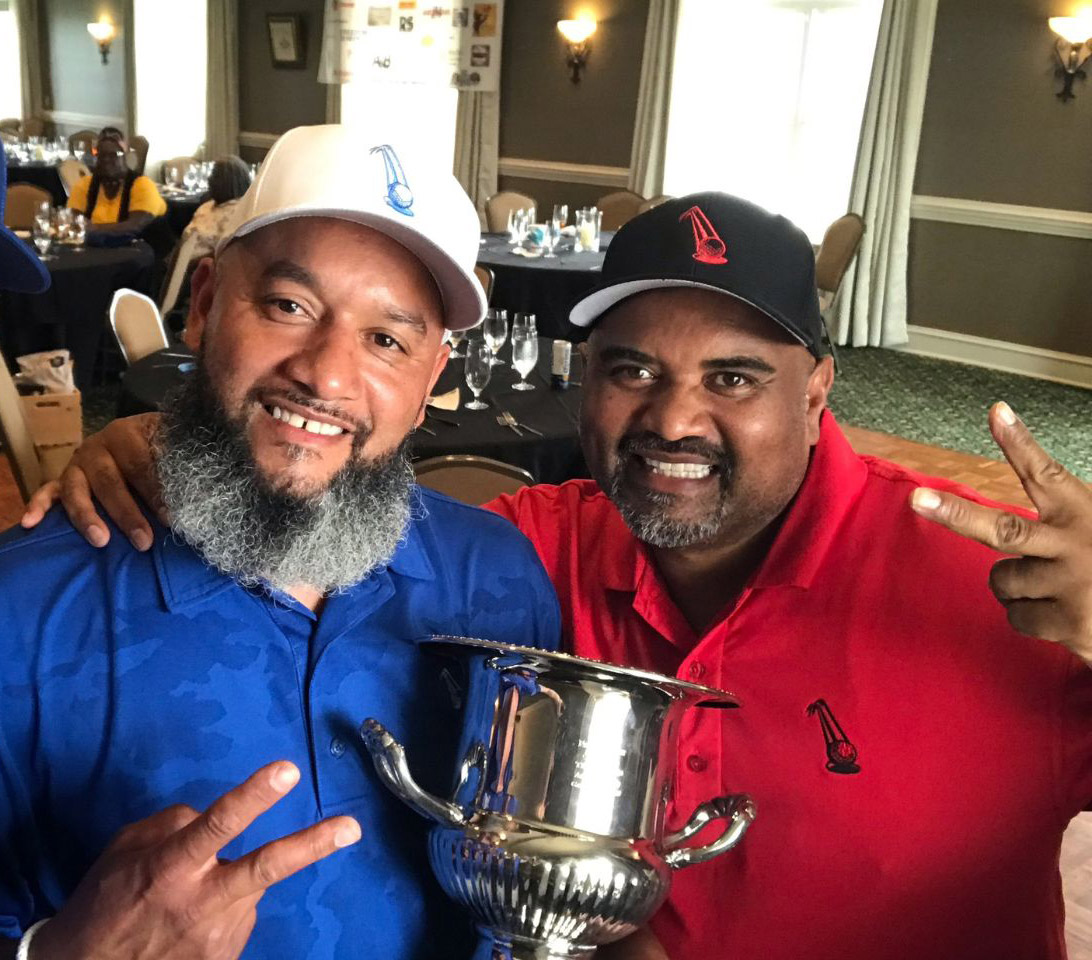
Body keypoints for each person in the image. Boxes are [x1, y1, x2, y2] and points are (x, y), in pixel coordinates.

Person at [26, 195, 1092, 959]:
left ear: (817, 388)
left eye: (734, 377)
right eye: (632, 369)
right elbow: (323, 500)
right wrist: (165, 447)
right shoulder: (523, 554)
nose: (673, 418)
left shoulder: (1011, 590)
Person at [0, 124, 561, 960]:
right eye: (290, 307)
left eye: (386, 340)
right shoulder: (26, 609)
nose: (327, 375)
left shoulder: (499, 582)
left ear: (429, 383)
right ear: (204, 308)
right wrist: (59, 952)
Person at [66, 127, 167, 236]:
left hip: (141, 249)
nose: (106, 160)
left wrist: (92, 228)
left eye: (113, 154)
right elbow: (73, 221)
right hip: (96, 249)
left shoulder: (143, 185)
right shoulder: (85, 184)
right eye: (101, 155)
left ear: (125, 156)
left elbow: (133, 226)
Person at [181, 155, 251, 259]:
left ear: (229, 182)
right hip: (183, 260)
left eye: (214, 176)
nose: (209, 179)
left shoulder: (239, 214)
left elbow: (224, 254)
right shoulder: (206, 206)